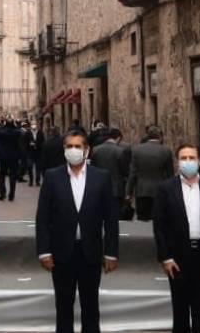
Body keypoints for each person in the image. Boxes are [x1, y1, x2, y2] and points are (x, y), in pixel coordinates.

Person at [36, 128, 120, 333]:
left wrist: (111, 252)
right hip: (61, 253)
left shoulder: (101, 177)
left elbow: (110, 219)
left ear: (86, 149)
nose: (73, 150)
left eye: (77, 146)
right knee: (63, 306)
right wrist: (44, 251)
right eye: (69, 146)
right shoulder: (52, 177)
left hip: (91, 252)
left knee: (90, 306)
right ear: (64, 149)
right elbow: (43, 217)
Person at [154, 144, 200, 333]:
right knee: (179, 309)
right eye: (183, 158)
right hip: (177, 256)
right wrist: (165, 257)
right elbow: (160, 226)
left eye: (192, 158)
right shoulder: (165, 188)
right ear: (177, 162)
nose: (188, 162)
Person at [127, 126, 175, 221]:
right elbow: (170, 173)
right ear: (160, 136)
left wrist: (129, 192)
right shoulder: (166, 150)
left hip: (142, 190)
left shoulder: (137, 150)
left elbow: (133, 173)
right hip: (160, 189)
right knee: (159, 218)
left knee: (142, 218)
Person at [90, 128, 133, 221]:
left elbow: (92, 169)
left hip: (100, 187)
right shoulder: (120, 151)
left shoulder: (96, 150)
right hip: (116, 189)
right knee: (115, 216)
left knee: (101, 214)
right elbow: (125, 171)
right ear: (118, 138)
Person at [0, 120, 22, 202]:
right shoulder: (17, 133)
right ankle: (11, 195)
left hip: (3, 157)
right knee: (13, 176)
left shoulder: (1, 132)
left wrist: (0, 153)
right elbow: (20, 145)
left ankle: (2, 194)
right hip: (14, 157)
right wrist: (19, 156)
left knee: (2, 175)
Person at [21, 122, 38, 186]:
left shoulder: (40, 132)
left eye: (35, 124)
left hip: (37, 152)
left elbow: (42, 142)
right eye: (33, 124)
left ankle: (37, 181)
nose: (34, 126)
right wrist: (29, 145)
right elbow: (24, 143)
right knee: (30, 166)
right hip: (29, 152)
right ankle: (31, 181)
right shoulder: (27, 133)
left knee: (38, 168)